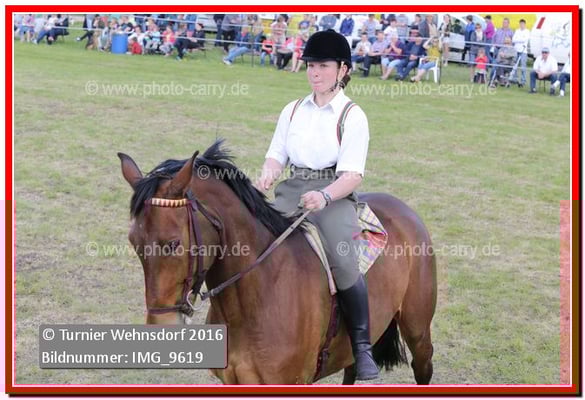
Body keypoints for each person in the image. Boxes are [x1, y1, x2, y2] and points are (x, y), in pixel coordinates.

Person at [255, 29, 379, 382]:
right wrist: (267, 175)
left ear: (343, 70)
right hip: (292, 187)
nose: (314, 72)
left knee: (343, 257)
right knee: (253, 240)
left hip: (333, 193)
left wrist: (324, 196)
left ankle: (362, 347)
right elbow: (277, 154)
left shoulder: (352, 115)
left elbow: (353, 175)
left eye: (323, 65)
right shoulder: (293, 109)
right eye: (311, 65)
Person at [509, 19, 530, 87]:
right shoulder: (517, 31)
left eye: (522, 24)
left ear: (524, 24)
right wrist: (519, 40)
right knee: (514, 65)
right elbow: (513, 40)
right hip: (516, 50)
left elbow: (525, 40)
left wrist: (518, 40)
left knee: (523, 66)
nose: (521, 25)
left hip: (523, 51)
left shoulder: (527, 31)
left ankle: (523, 80)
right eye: (520, 24)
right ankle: (514, 79)